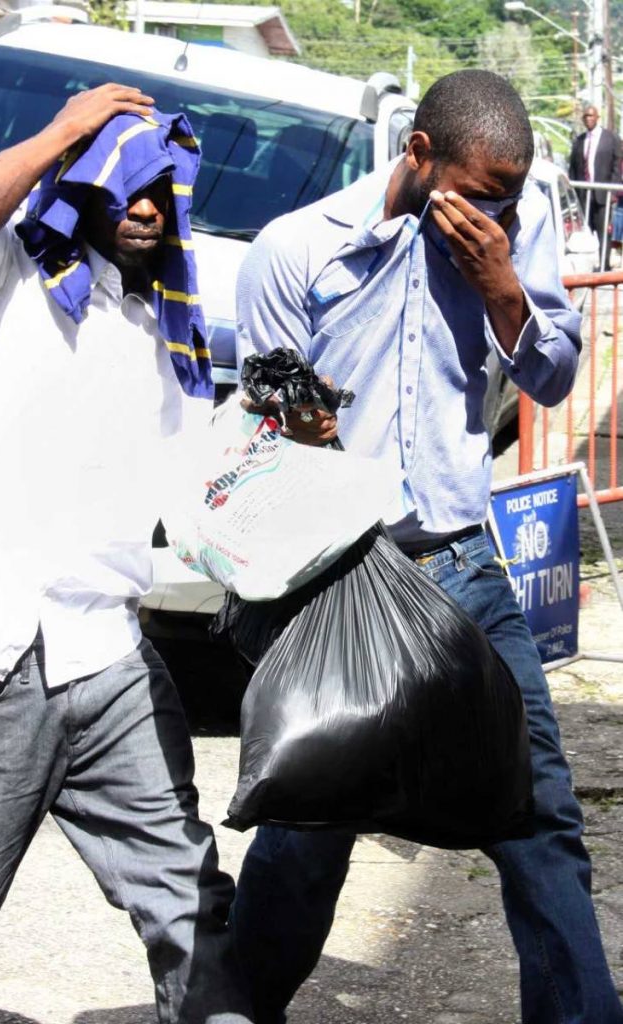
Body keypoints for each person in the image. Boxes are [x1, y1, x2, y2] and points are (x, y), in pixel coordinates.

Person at [233, 69, 622, 1024]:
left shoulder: (514, 231)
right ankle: (236, 1006)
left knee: (541, 816)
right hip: (339, 575)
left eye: (513, 190)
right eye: (482, 189)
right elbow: (267, 425)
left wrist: (503, 289)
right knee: (310, 826)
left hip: (464, 568)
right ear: (419, 155)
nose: (501, 209)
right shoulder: (300, 249)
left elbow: (553, 374)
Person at [0, 84, 252, 1024]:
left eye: (164, 192)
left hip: (108, 656)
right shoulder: (1, 275)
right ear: (79, 185)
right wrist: (69, 127)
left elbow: (196, 497)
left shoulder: (163, 330)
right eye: (126, 185)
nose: (147, 208)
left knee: (192, 903)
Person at [568, 104, 622, 269]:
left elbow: (617, 166)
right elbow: (573, 168)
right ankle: (585, 265)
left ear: (598, 117)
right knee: (585, 231)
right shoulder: (579, 141)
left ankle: (604, 264)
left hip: (602, 195)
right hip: (584, 195)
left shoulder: (610, 139)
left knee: (603, 230)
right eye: (585, 116)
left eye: (591, 116)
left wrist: (611, 190)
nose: (588, 119)